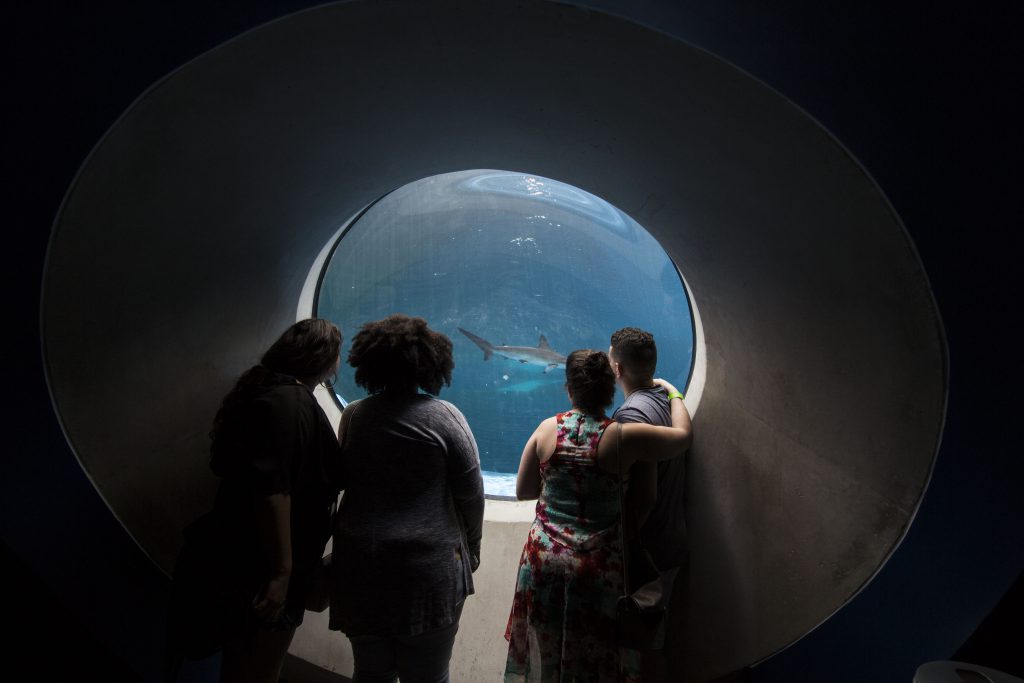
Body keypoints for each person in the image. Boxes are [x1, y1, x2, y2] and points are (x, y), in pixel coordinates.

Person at [504, 349, 692, 683]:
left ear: (569, 389)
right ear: (610, 386)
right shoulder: (624, 437)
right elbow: (682, 438)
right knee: (597, 657)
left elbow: (523, 490)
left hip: (543, 562)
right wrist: (673, 392)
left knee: (546, 652)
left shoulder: (547, 429)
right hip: (599, 568)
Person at [329, 314, 484, 683]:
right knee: (428, 676)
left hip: (361, 566)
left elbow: (341, 480)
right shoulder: (446, 418)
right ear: (432, 365)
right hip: (428, 572)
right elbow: (471, 494)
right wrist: (473, 547)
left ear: (370, 364)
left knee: (370, 673)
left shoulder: (354, 415)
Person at [206, 318, 343, 683]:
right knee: (261, 669)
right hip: (265, 565)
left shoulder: (268, 392)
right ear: (326, 359)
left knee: (239, 664)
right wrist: (281, 572)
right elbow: (273, 489)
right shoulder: (291, 401)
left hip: (248, 556)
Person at [609, 327, 693, 682]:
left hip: (647, 552)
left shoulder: (629, 418)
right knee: (654, 644)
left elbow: (643, 498)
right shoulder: (667, 402)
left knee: (637, 649)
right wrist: (672, 389)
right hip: (673, 541)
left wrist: (623, 548)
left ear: (617, 369)